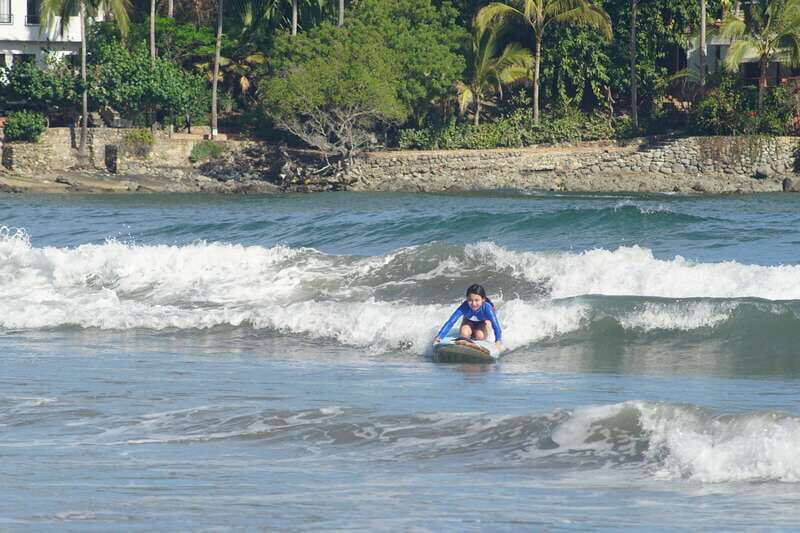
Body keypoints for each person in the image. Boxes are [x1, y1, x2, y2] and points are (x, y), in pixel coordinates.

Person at [433, 284, 502, 350]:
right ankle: (469, 335)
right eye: (470, 300)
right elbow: (451, 321)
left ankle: (483, 330)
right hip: (468, 321)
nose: (473, 303)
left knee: (479, 336)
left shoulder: (487, 308)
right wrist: (439, 337)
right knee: (464, 333)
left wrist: (498, 340)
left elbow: (496, 325)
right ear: (466, 299)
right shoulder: (464, 306)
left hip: (483, 322)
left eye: (477, 300)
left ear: (483, 299)